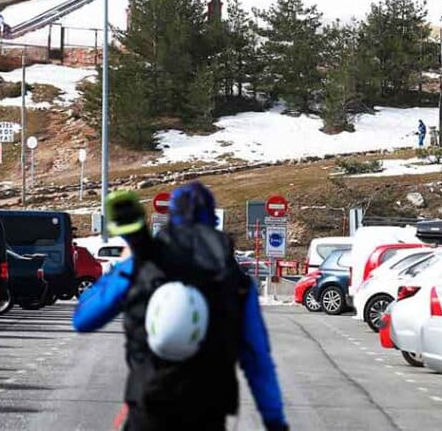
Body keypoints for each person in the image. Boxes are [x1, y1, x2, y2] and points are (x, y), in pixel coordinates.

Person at [73, 183, 288, 431]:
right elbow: (257, 359)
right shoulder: (233, 279)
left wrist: (127, 268)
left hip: (148, 409)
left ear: (171, 217)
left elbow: (83, 319)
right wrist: (274, 420)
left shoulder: (144, 263)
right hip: (208, 414)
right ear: (212, 218)